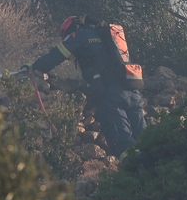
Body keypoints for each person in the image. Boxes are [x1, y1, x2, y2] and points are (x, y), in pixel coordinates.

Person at [27, 15, 146, 157]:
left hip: (111, 95)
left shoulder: (80, 35)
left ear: (70, 30)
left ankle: (133, 172)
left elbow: (56, 55)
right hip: (132, 92)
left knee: (123, 145)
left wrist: (34, 66)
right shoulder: (108, 35)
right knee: (146, 141)